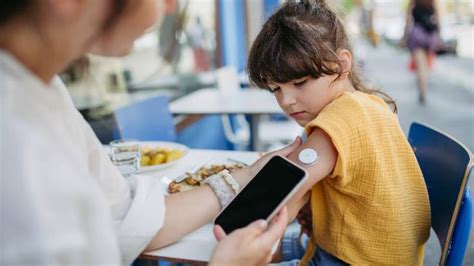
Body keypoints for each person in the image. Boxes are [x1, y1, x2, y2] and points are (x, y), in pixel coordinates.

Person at [0, 0, 309, 265]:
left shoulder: (43, 92)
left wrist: (246, 175)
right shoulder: (19, 139)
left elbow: (126, 219)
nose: (170, 7)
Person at [247, 0, 431, 265]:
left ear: (342, 65)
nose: (286, 100)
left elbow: (270, 202)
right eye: (275, 89)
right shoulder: (369, 105)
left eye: (299, 83)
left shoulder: (341, 118)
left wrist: (239, 183)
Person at [401, 0, 441, 104]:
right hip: (429, 35)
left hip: (417, 34)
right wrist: (439, 36)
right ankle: (425, 89)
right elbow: (437, 18)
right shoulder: (432, 2)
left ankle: (422, 91)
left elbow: (408, 20)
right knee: (427, 65)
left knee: (420, 66)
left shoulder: (413, 2)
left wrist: (404, 37)